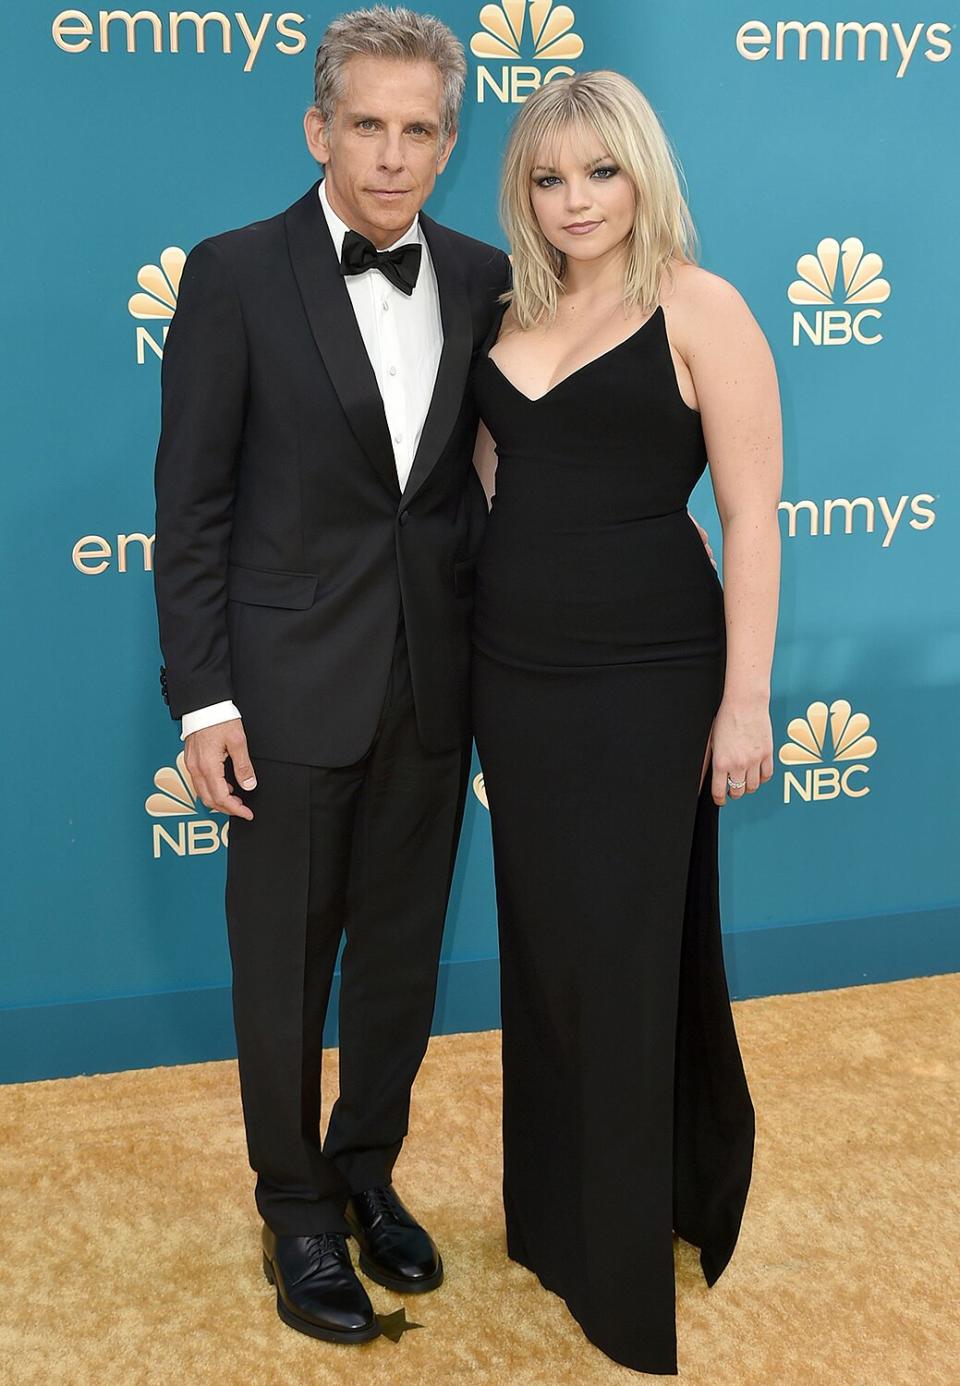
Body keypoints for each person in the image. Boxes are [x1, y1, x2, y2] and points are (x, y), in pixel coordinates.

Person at [153, 3, 717, 1351]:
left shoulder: (485, 279)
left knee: (399, 961)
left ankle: (365, 1170)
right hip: (284, 694)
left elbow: (537, 463)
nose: (393, 156)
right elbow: (192, 507)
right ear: (319, 127)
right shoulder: (233, 273)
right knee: (284, 965)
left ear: (453, 140)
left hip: (444, 682)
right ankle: (294, 1208)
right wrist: (204, 695)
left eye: (420, 130)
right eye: (367, 126)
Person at [470, 71, 781, 1375]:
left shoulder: (701, 305)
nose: (575, 198)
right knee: (543, 951)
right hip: (517, 677)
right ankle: (551, 1218)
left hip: (652, 676)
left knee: (627, 951)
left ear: (642, 173)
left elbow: (754, 519)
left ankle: (625, 1244)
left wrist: (746, 698)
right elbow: (490, 486)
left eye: (600, 171)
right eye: (549, 178)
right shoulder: (504, 310)